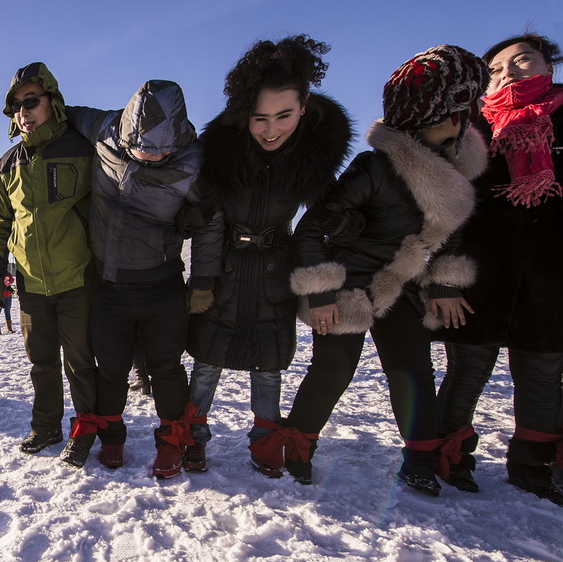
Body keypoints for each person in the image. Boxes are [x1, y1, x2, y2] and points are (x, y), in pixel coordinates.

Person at [254, 45, 489, 496]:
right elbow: (311, 230)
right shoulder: (376, 166)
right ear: (433, 115)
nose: (464, 120)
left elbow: (450, 233)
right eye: (457, 111)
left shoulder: (454, 168)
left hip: (401, 284)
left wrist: (443, 282)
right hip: (349, 287)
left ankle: (420, 458)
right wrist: (321, 293)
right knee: (333, 370)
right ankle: (296, 449)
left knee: (411, 369)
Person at [184, 36, 353, 473]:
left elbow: (323, 217)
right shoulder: (221, 154)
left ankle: (265, 443)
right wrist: (202, 276)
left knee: (268, 364)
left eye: (284, 115)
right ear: (244, 115)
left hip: (276, 271)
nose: (272, 129)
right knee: (206, 364)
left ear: (304, 106)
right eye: (260, 118)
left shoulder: (313, 157)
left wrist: (344, 224)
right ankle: (192, 436)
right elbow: (204, 219)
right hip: (224, 270)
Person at [66, 79, 224, 478]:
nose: (156, 157)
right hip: (108, 286)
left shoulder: (195, 161)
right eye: (146, 150)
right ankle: (112, 438)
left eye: (165, 151)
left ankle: (172, 441)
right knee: (112, 369)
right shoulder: (102, 128)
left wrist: (204, 280)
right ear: (125, 133)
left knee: (166, 368)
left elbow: (211, 223)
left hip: (162, 286)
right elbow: (63, 114)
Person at [435, 33, 563, 505]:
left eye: (522, 59)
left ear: (548, 64)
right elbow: (446, 209)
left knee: (543, 372)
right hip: (478, 273)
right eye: (496, 67)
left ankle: (534, 466)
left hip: (551, 277)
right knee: (468, 369)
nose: (509, 70)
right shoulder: (470, 129)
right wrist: (443, 278)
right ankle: (451, 455)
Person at [0, 62, 97, 468]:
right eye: (16, 106)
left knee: (82, 362)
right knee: (42, 362)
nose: (23, 112)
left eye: (31, 101)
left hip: (78, 277)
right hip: (31, 283)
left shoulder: (82, 148)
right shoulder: (8, 163)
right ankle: (46, 424)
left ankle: (85, 428)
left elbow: (106, 207)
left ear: (52, 98)